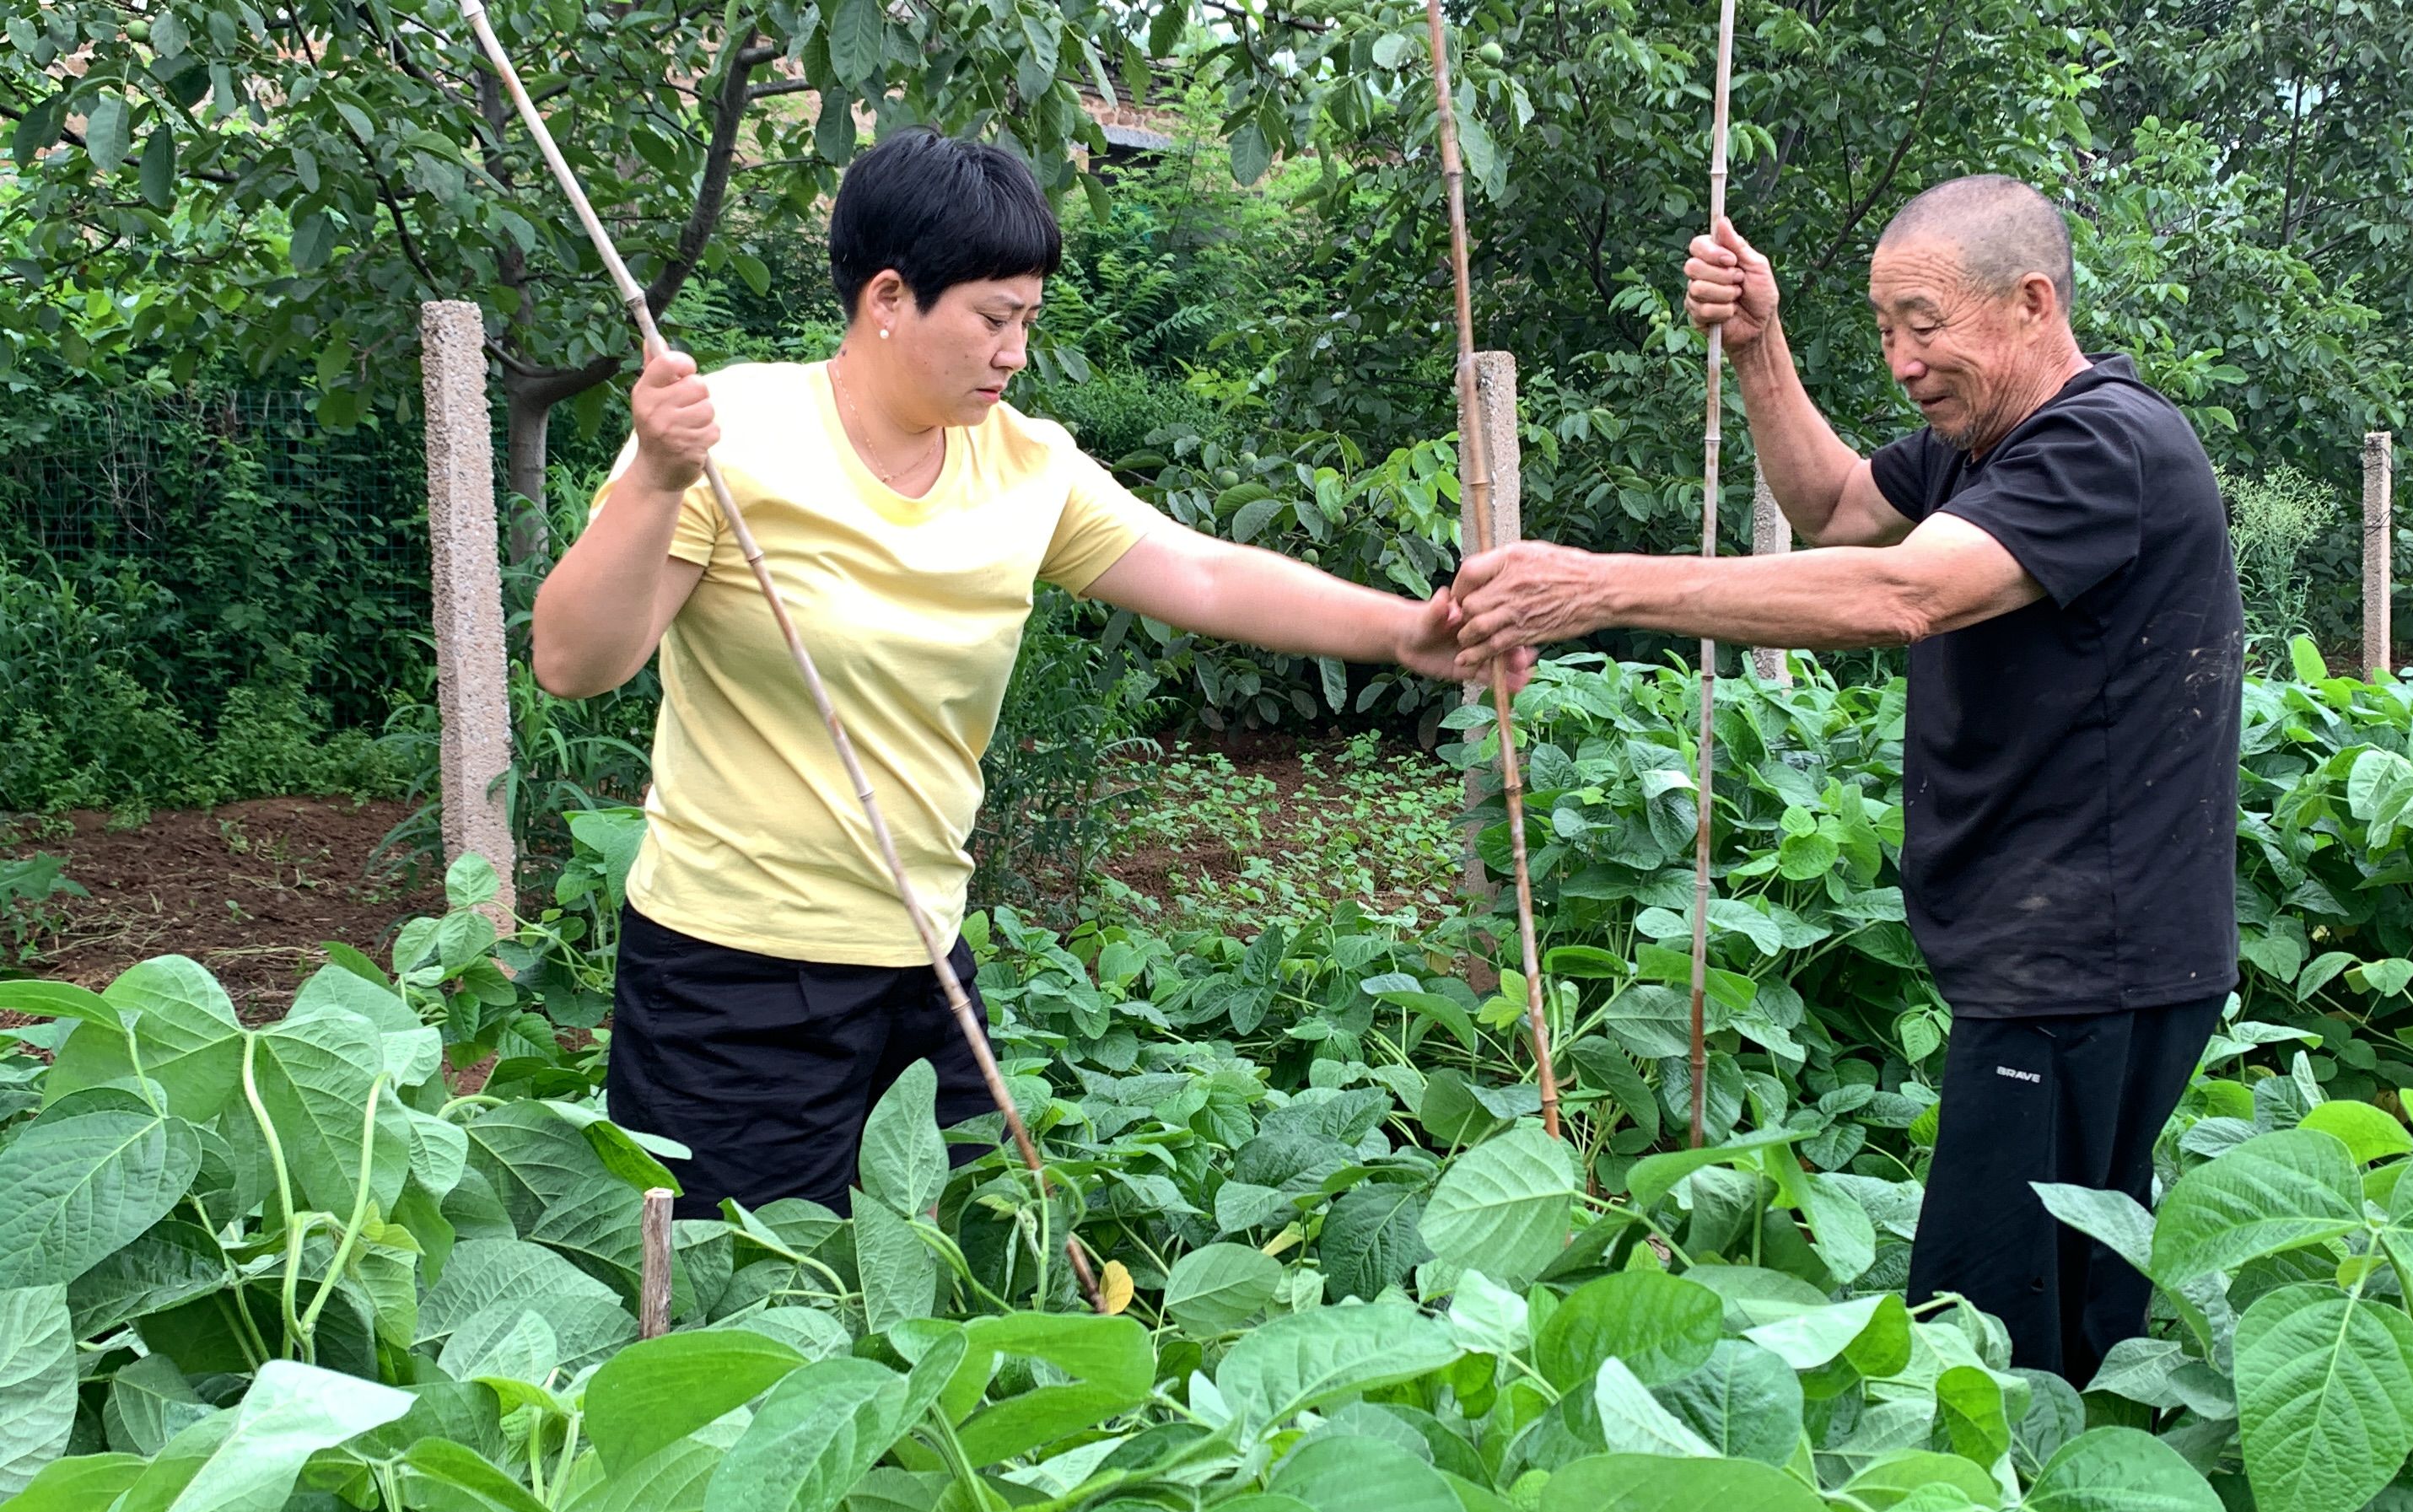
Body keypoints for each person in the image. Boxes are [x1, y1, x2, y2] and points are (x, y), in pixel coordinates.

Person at [531, 126, 1512, 1217]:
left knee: (967, 1265)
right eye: (994, 319)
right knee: (744, 1312)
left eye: (1028, 322)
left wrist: (1403, 632)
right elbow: (576, 659)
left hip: (923, 961)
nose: (1015, 354)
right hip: (729, 973)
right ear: (889, 298)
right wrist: (661, 480)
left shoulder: (1024, 464)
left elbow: (1205, 573)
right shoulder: (729, 436)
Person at [1444, 175, 2242, 1385]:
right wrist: (1760, 345)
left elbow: (1902, 593)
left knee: (1977, 1341)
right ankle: (2090, 1494)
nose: (1903, 360)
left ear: (2031, 303)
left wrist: (1597, 587)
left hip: (2089, 961)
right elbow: (1832, 509)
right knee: (2072, 1300)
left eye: (1925, 324)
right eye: (1882, 330)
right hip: (2070, 955)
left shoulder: (2102, 447)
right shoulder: (1991, 447)